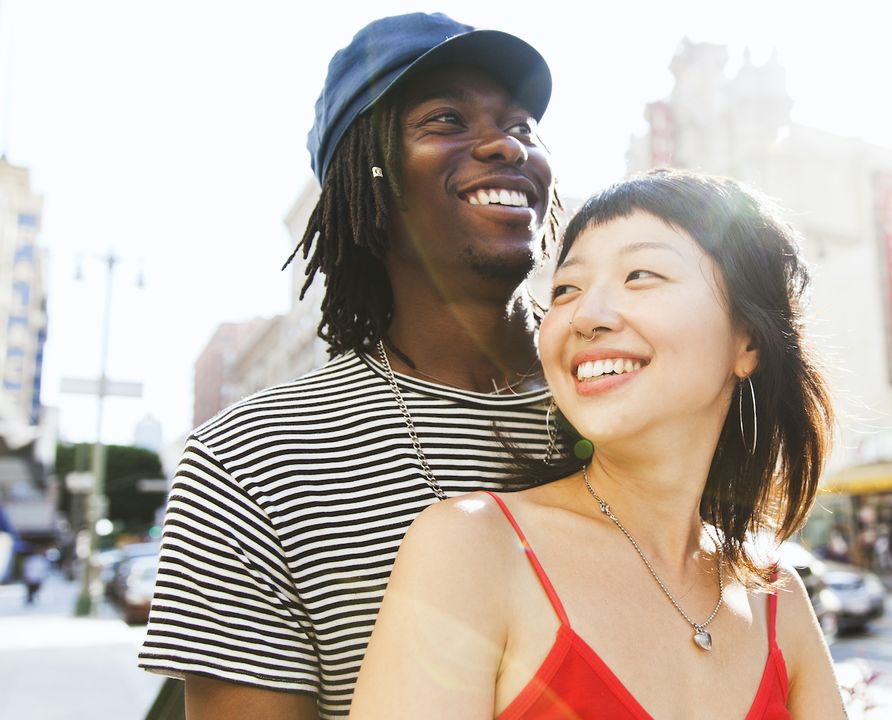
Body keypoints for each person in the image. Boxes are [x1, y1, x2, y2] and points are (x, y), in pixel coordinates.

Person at [138, 13, 560, 719]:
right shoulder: (248, 466)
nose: (505, 145)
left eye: (522, 125)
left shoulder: (641, 393)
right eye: (447, 119)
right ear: (366, 175)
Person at [350, 170, 848, 718]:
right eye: (565, 289)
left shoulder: (778, 595)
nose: (585, 316)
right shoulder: (474, 547)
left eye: (641, 274)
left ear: (747, 340)